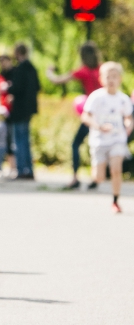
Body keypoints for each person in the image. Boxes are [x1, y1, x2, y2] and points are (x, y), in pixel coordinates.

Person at [46, 41, 102, 190]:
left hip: (91, 114)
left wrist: (49, 71)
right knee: (96, 145)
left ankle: (75, 178)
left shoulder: (83, 71)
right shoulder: (102, 70)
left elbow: (57, 80)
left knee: (76, 143)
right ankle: (96, 177)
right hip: (103, 114)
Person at [81, 62, 132, 213]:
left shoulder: (123, 99)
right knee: (99, 177)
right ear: (101, 79)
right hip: (99, 140)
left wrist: (128, 126)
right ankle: (97, 175)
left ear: (120, 79)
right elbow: (85, 116)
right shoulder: (96, 97)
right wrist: (98, 127)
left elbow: (128, 117)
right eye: (108, 77)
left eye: (114, 77)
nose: (111, 80)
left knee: (116, 170)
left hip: (117, 139)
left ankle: (115, 201)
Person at [7, 43, 40, 180]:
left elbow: (17, 88)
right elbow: (38, 86)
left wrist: (8, 88)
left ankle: (21, 170)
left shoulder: (20, 69)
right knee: (26, 140)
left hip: (20, 109)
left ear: (17, 53)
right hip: (29, 109)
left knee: (19, 140)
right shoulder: (32, 68)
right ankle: (29, 169)